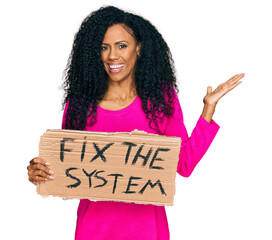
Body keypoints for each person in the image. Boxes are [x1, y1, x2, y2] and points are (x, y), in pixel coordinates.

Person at [27, 6, 245, 240]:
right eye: (104, 47)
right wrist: (38, 171)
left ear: (138, 49)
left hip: (148, 232)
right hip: (93, 231)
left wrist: (208, 109)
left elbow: (184, 164)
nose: (112, 56)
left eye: (122, 45)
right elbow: (66, 168)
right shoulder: (79, 105)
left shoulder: (160, 100)